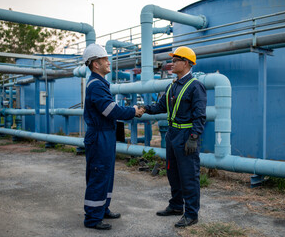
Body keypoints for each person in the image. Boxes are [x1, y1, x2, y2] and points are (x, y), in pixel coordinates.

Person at [140, 46, 207, 228]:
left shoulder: (195, 86)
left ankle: (191, 214)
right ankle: (177, 206)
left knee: (188, 175)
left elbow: (200, 115)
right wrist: (145, 109)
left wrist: (194, 137)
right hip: (172, 134)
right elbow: (161, 106)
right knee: (173, 172)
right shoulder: (172, 86)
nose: (172, 63)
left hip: (186, 135)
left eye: (175, 60)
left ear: (185, 63)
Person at [82, 44, 144, 230]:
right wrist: (133, 111)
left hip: (106, 134)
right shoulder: (96, 86)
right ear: (95, 64)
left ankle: (102, 208)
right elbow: (111, 111)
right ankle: (93, 218)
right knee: (99, 173)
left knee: (107, 173)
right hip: (99, 135)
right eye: (105, 59)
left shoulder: (100, 83)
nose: (109, 62)